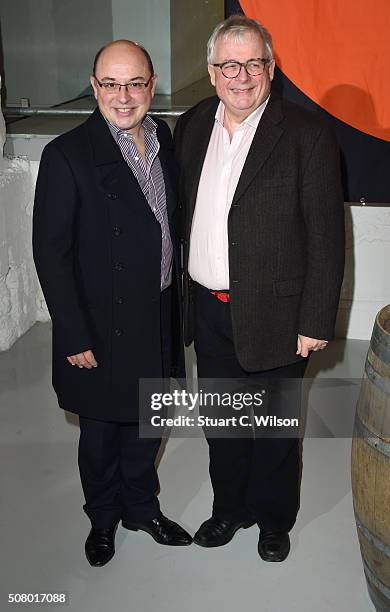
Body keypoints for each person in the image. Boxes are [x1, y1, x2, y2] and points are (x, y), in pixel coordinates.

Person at [174, 15, 345, 561]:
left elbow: (326, 238)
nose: (241, 76)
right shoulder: (193, 124)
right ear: (211, 71)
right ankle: (229, 510)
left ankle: (274, 520)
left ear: (271, 69)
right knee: (223, 424)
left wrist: (315, 321)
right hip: (207, 308)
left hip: (277, 312)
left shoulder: (308, 136)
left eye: (253, 64)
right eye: (229, 64)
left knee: (272, 427)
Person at [33, 40, 192, 567]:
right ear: (94, 86)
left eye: (135, 83)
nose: (124, 97)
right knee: (101, 431)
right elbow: (51, 253)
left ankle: (142, 508)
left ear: (152, 85)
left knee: (150, 421)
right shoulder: (67, 155)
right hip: (101, 325)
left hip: (160, 310)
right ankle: (102, 519)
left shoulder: (162, 137)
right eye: (111, 84)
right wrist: (73, 333)